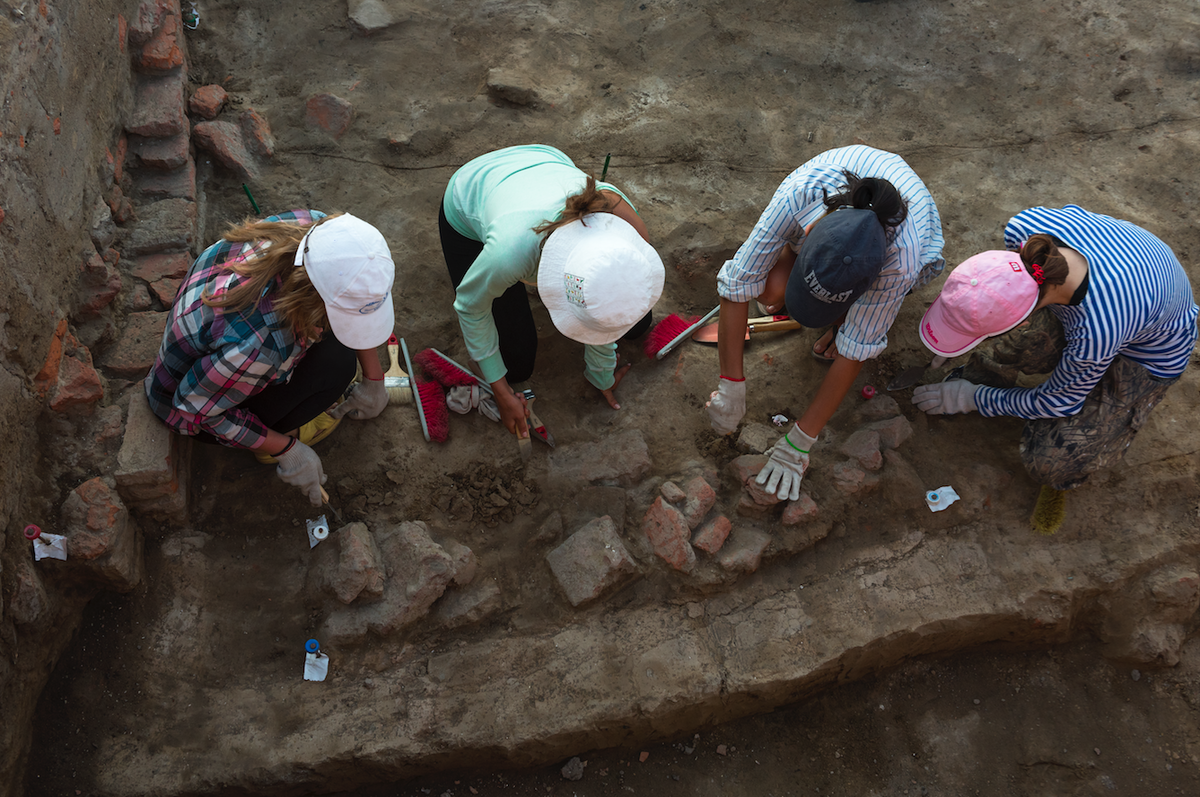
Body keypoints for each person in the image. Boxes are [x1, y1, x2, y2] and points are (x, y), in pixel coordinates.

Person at [706, 145, 945, 501]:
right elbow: (738, 285)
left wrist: (799, 444)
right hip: (839, 203)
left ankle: (839, 319)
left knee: (853, 330)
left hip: (906, 247)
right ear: (810, 234)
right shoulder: (801, 194)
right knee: (770, 295)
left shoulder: (902, 262)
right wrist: (731, 385)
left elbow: (857, 351)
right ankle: (827, 302)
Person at [911, 204, 1198, 497]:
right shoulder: (1025, 228)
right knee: (1028, 339)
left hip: (1148, 352)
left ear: (1026, 312)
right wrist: (958, 322)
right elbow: (996, 283)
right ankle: (996, 370)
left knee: (1052, 462)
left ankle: (1114, 423)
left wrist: (972, 398)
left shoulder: (1096, 331)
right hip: (1130, 283)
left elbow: (1058, 403)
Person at [145, 210, 397, 506]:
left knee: (338, 352)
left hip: (218, 352)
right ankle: (280, 432)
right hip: (191, 402)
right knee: (337, 368)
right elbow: (194, 410)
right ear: (315, 304)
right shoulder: (259, 346)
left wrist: (374, 378)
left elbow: (352, 309)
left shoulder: (313, 230)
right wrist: (286, 448)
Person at [439, 144, 665, 438]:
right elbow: (470, 306)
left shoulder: (622, 217)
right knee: (515, 366)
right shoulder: (511, 252)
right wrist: (502, 391)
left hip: (544, 158)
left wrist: (601, 371)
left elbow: (601, 297)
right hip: (468, 194)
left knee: (637, 322)